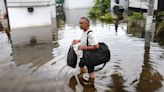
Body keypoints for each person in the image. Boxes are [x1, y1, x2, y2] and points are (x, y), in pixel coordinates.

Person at [72, 17, 99, 82]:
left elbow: (96, 46)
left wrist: (83, 47)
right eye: (79, 23)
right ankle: (82, 75)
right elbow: (84, 40)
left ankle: (91, 85)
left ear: (87, 24)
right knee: (81, 66)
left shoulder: (90, 34)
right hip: (84, 55)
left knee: (91, 73)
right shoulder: (84, 32)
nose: (80, 25)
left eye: (81, 23)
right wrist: (77, 41)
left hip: (90, 57)